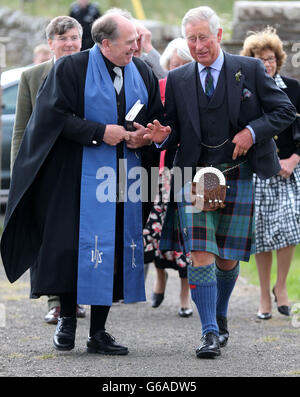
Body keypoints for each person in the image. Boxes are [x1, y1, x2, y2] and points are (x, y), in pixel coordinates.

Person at [1, 11, 163, 355]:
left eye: (136, 41)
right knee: (72, 250)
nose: (137, 47)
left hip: (122, 179)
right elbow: (52, 117)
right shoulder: (70, 68)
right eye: (129, 42)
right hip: (74, 177)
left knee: (113, 249)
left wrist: (146, 137)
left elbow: (155, 116)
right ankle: (67, 322)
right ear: (105, 44)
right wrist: (99, 132)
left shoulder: (143, 70)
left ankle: (99, 332)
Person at [144, 6, 296, 359]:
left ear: (219, 35)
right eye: (191, 39)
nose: (198, 46)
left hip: (238, 173)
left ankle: (220, 313)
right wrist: (163, 136)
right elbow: (173, 130)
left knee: (227, 258)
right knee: (200, 254)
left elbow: (284, 110)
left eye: (203, 37)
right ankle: (209, 331)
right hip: (195, 177)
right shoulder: (180, 78)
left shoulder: (250, 69)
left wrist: (252, 132)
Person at [11, 16, 86, 326]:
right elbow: (21, 129)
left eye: (73, 38)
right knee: (47, 237)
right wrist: (21, 171)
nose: (68, 44)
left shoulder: (91, 74)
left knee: (79, 235)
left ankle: (76, 298)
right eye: (62, 39)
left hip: (81, 167)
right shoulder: (32, 76)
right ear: (51, 43)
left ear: (82, 41)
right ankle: (56, 302)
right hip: (43, 167)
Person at [240, 27, 300, 320]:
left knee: (289, 228)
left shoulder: (294, 88)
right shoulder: (245, 93)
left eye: (271, 58)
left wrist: (294, 160)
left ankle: (281, 286)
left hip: (289, 170)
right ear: (251, 61)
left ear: (278, 59)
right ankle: (264, 295)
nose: (267, 64)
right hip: (259, 172)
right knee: (261, 235)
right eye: (261, 59)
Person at [143, 38, 194, 317]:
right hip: (158, 169)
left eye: (182, 66)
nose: (176, 71)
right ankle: (160, 277)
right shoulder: (159, 89)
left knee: (185, 229)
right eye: (172, 65)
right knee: (156, 226)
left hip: (187, 169)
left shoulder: (197, 92)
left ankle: (185, 293)